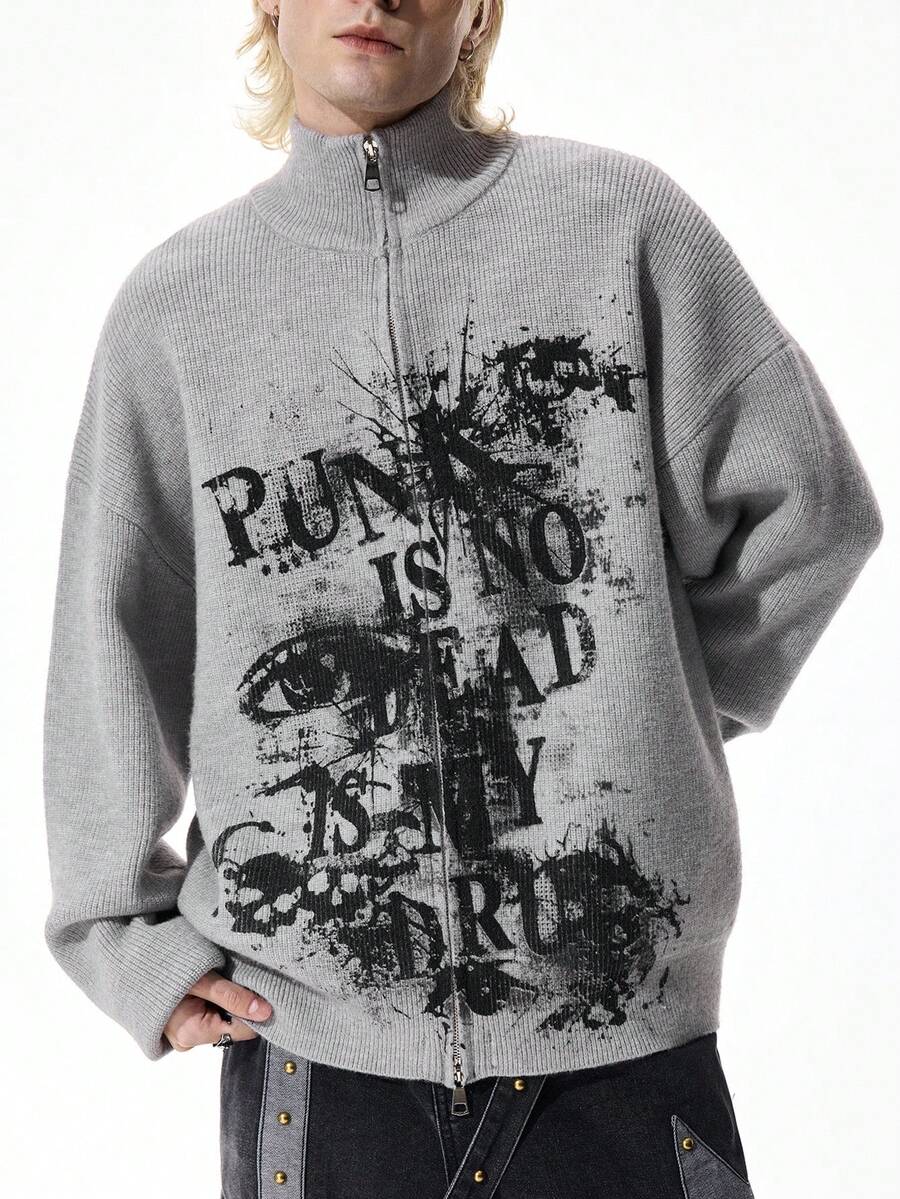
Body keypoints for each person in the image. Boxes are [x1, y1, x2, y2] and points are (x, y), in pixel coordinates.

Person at [41, 2, 883, 1197]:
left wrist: (658, 707)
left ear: (480, 8)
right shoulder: (179, 309)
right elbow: (110, 637)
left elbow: (811, 509)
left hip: (618, 1040)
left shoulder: (621, 226)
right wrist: (127, 943)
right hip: (317, 1064)